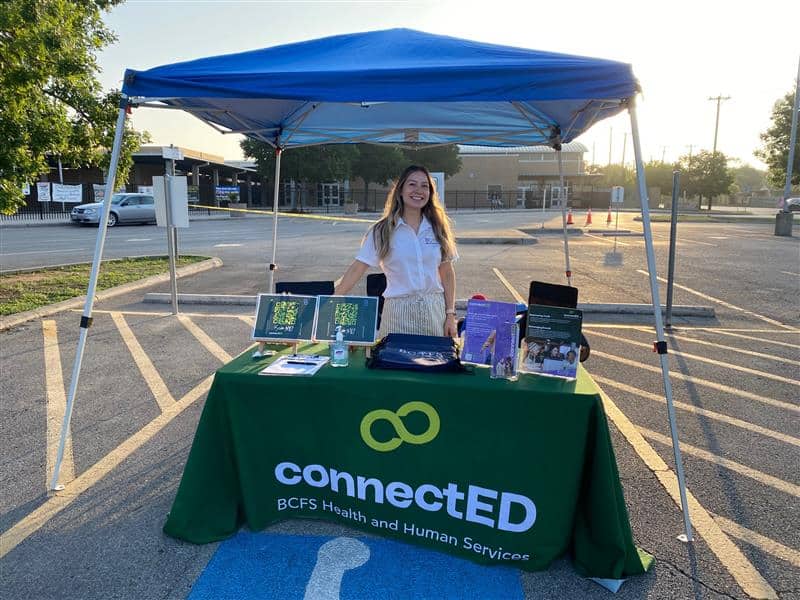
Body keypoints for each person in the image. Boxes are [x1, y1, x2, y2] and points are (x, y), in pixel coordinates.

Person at [335, 165, 458, 338]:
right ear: (400, 190)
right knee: (394, 363)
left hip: (434, 311)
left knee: (434, 362)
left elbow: (447, 273)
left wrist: (450, 314)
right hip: (398, 312)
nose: (418, 190)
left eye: (425, 186)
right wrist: (332, 300)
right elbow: (358, 268)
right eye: (412, 184)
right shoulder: (382, 230)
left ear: (430, 193)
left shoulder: (438, 228)